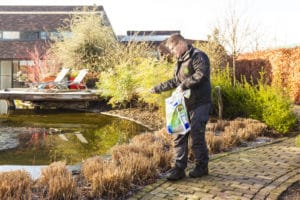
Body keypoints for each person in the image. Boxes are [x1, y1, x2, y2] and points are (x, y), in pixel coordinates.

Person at [150, 33, 211, 181]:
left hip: (200, 104)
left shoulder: (198, 56)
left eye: (172, 48)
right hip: (184, 105)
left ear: (180, 44)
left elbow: (201, 74)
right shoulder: (180, 61)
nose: (172, 51)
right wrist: (158, 88)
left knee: (197, 135)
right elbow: (176, 81)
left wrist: (184, 85)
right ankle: (179, 169)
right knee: (179, 135)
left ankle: (201, 167)